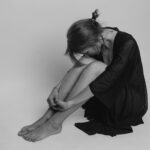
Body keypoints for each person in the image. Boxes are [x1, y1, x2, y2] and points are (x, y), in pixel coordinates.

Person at [18, 9, 148, 142]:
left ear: (98, 40)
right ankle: (47, 116)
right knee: (86, 62)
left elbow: (108, 79)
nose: (85, 53)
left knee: (96, 67)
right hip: (105, 95)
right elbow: (80, 64)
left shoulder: (127, 43)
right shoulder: (97, 35)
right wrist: (56, 88)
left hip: (126, 102)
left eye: (85, 50)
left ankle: (54, 124)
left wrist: (71, 103)